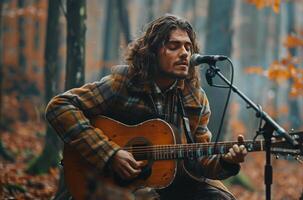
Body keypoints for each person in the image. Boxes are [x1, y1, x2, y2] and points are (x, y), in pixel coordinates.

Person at [46, 14, 247, 200]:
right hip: (115, 185)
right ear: (152, 52)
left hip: (176, 184)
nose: (185, 53)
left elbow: (200, 161)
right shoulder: (124, 83)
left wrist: (226, 162)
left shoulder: (195, 99)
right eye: (174, 46)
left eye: (188, 47)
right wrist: (109, 153)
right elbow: (60, 107)